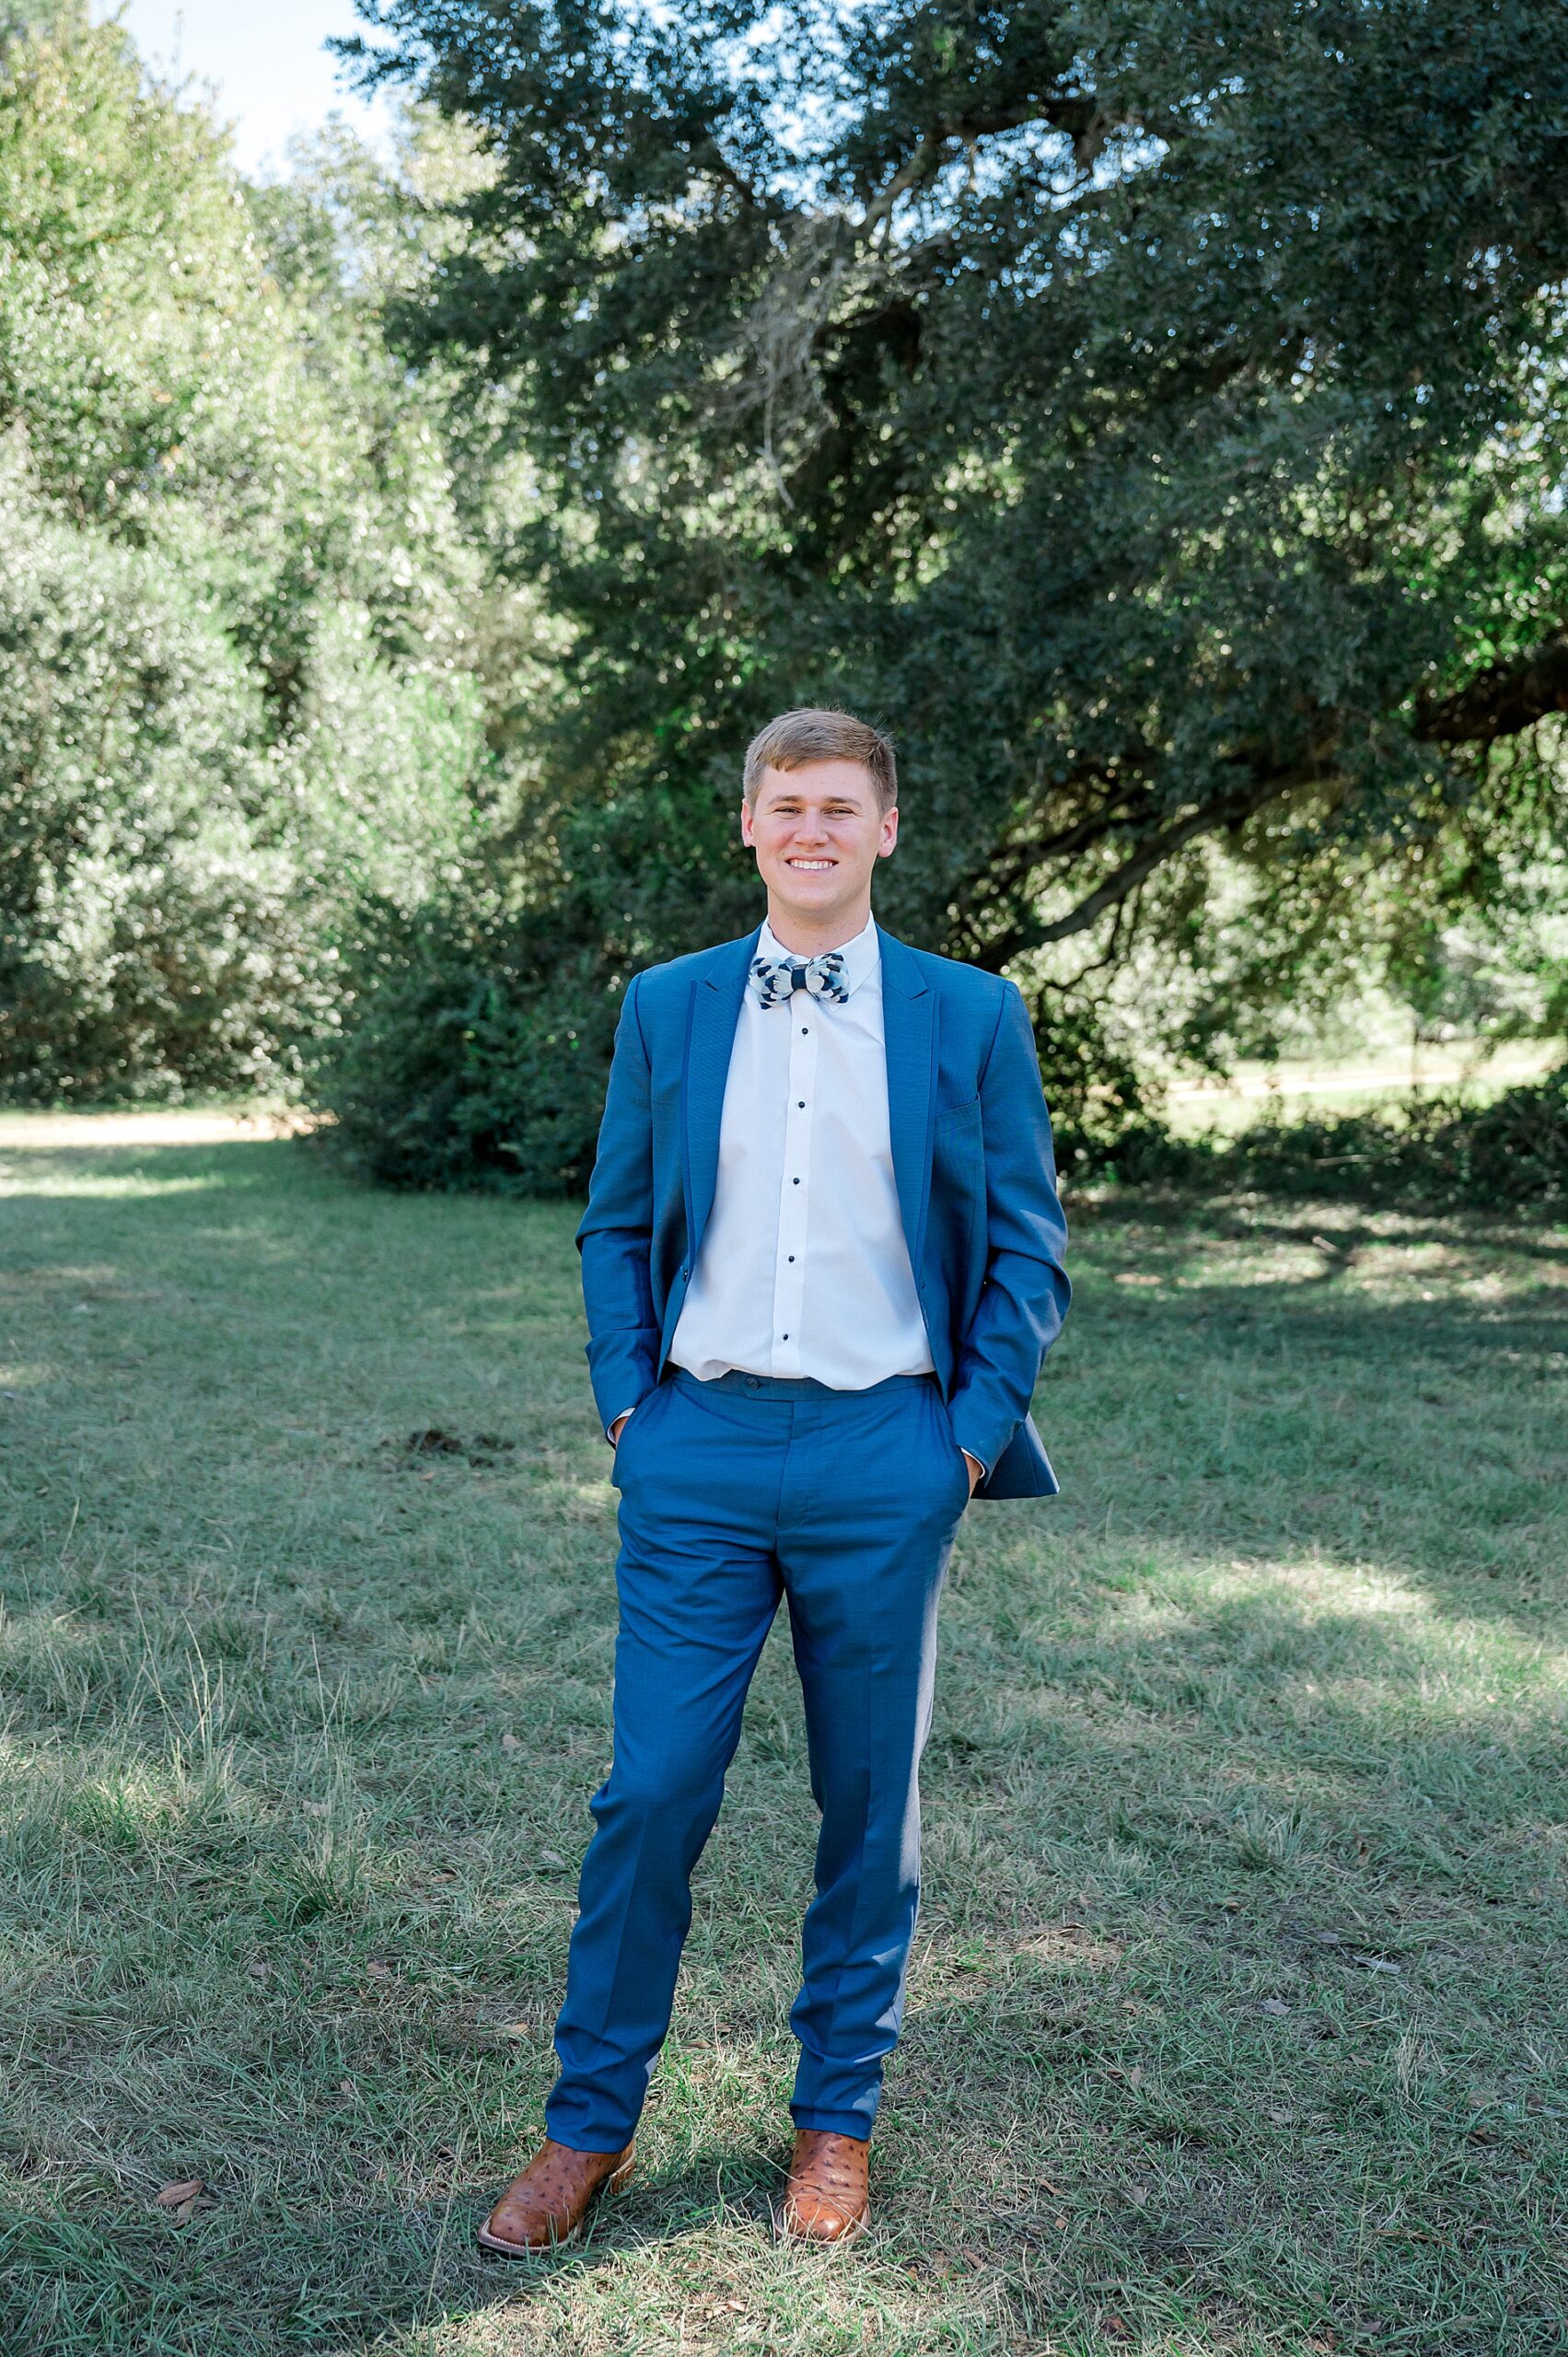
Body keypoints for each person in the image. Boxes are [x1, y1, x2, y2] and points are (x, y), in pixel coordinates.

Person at [478, 708, 1071, 2255]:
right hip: (700, 1448)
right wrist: (629, 1407)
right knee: (653, 1791)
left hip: (891, 1450)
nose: (811, 829)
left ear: (887, 830)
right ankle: (584, 2131)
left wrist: (964, 1435)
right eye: (785, 805)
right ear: (749, 826)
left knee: (869, 1809)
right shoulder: (669, 1007)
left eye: (840, 807)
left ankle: (834, 2126)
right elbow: (615, 1222)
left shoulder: (972, 1013)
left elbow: (1023, 1247)